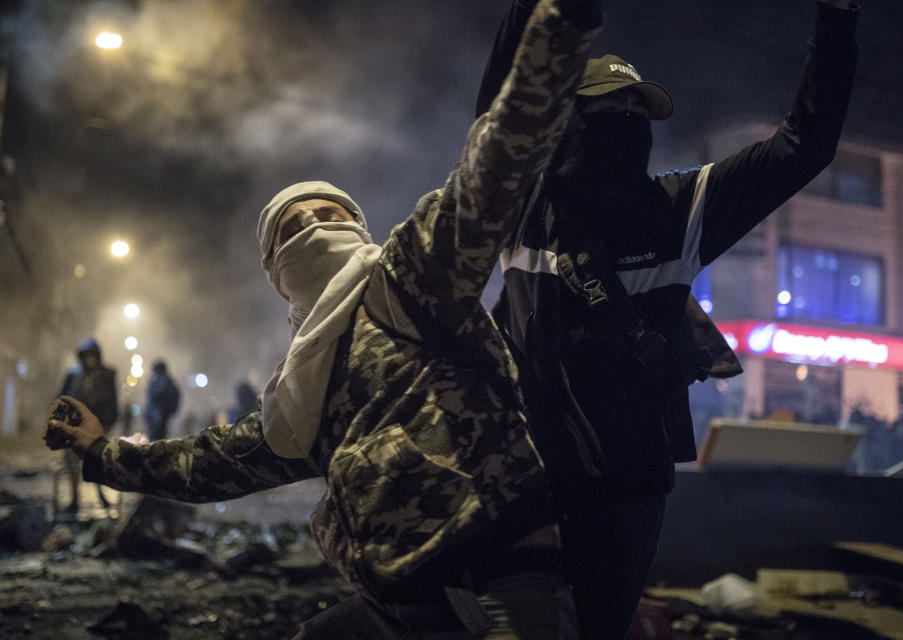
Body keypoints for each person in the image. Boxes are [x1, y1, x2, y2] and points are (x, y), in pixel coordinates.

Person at [46, 0, 602, 637]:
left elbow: (497, 164)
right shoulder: (298, 391)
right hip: (398, 597)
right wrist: (101, 453)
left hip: (500, 577)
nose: (314, 226)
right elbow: (210, 464)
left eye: (330, 214)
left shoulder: (409, 278)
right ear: (276, 271)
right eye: (291, 227)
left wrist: (558, 30)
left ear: (360, 228)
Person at [476, 1, 860, 637]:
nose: (628, 123)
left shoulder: (682, 208)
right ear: (567, 120)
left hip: (630, 493)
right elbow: (497, 114)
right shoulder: (524, 202)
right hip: (527, 484)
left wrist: (838, 19)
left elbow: (806, 143)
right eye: (609, 110)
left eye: (638, 114)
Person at [54, 338, 118, 514]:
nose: (90, 360)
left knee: (96, 460)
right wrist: (59, 422)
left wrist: (108, 424)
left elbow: (112, 402)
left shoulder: (107, 374)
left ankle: (100, 495)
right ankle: (75, 499)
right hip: (73, 425)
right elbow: (61, 398)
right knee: (72, 464)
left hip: (97, 426)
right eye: (86, 356)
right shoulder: (73, 375)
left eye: (93, 356)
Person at [143, 360, 181, 441]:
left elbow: (154, 398)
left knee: (155, 438)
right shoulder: (168, 381)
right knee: (160, 437)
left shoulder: (160, 381)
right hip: (161, 415)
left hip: (157, 415)